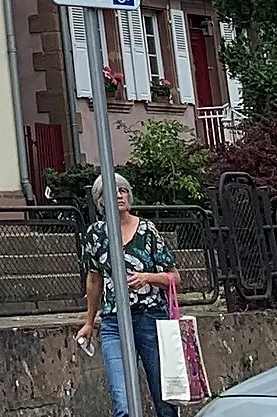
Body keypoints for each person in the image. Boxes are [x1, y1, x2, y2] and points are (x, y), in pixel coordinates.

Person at [78, 174, 181, 417]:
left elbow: (174, 277)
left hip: (150, 319)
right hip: (113, 323)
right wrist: (89, 323)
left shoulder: (147, 230)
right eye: (112, 192)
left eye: (123, 190)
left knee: (165, 401)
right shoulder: (95, 235)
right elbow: (94, 280)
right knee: (122, 404)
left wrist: (147, 277)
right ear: (101, 201)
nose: (119, 195)